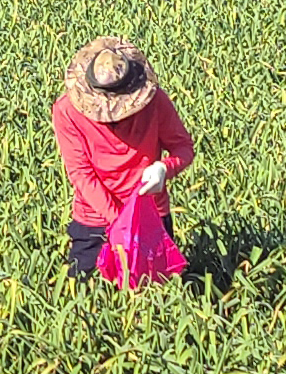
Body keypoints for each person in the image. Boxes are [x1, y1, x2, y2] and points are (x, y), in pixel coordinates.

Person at [53, 35, 190, 285]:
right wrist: (121, 222)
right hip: (93, 220)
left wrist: (163, 168)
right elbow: (81, 174)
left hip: (149, 218)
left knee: (154, 300)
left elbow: (183, 148)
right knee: (82, 294)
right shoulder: (67, 110)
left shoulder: (155, 102)